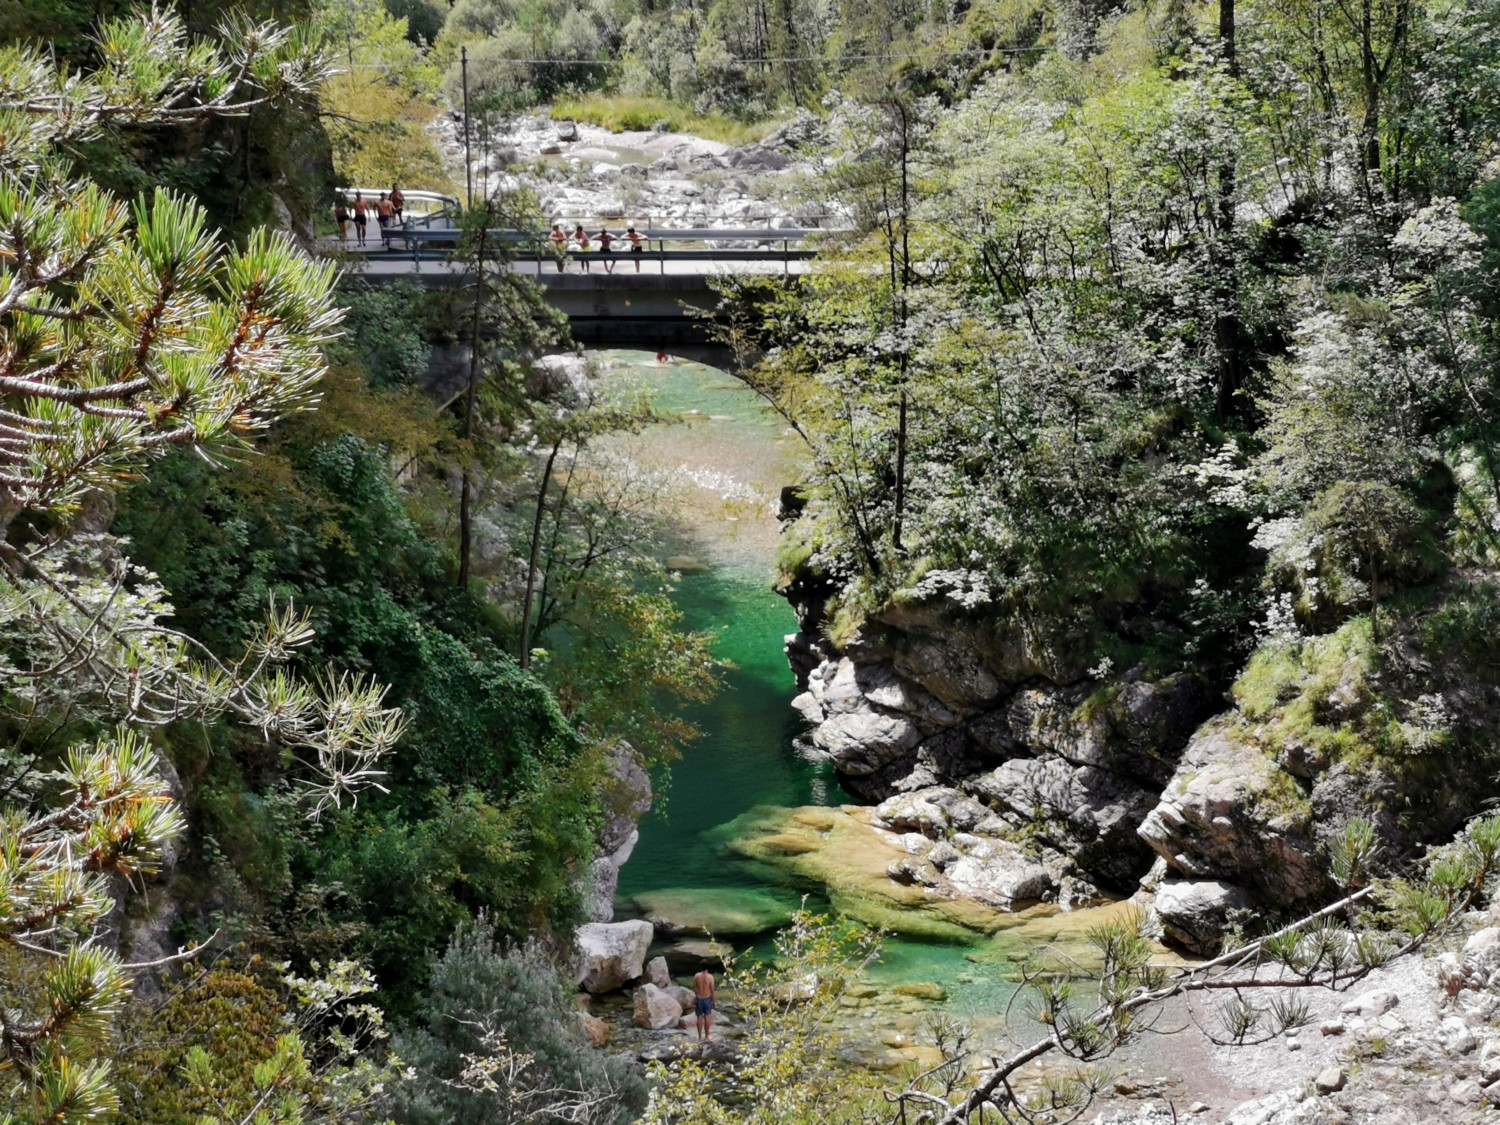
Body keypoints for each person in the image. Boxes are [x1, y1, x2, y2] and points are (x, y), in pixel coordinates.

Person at [692, 967, 715, 1042]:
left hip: (699, 999)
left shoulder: (696, 976)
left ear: (701, 967)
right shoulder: (710, 977)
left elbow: (694, 987)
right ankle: (707, 1037)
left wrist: (697, 994)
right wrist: (714, 1002)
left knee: (699, 1017)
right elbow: (712, 990)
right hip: (707, 999)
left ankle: (699, 1037)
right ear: (708, 967)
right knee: (707, 1017)